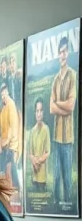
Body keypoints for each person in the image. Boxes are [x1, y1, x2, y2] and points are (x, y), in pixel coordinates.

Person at [49, 36, 77, 206]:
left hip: (67, 138)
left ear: (69, 53)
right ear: (58, 55)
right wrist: (62, 106)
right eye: (60, 52)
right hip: (56, 137)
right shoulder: (55, 80)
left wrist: (58, 104)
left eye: (65, 51)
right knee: (56, 176)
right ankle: (57, 206)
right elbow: (51, 109)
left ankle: (68, 205)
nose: (63, 55)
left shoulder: (73, 75)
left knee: (67, 177)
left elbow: (71, 105)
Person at [29, 100, 50, 192]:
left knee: (42, 199)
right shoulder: (32, 131)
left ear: (43, 112)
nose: (39, 113)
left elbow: (47, 152)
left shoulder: (46, 129)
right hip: (34, 173)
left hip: (42, 175)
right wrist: (33, 161)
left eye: (41, 110)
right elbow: (30, 153)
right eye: (37, 111)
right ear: (35, 113)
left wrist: (38, 161)